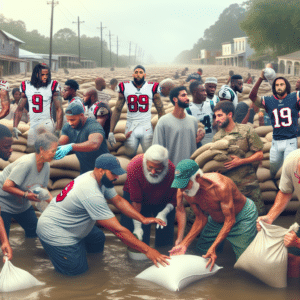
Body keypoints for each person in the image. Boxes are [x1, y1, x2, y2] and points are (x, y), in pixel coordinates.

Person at [36, 153, 170, 276]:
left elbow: (117, 200)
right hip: (55, 231)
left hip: (68, 223)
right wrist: (148, 251)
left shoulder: (100, 179)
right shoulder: (91, 192)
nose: (117, 177)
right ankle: (73, 262)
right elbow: (118, 231)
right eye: (114, 174)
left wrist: (143, 219)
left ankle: (91, 263)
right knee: (77, 276)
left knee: (98, 238)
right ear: (100, 170)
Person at [169, 159, 258, 271]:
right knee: (201, 251)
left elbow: (230, 220)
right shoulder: (187, 192)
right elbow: (201, 218)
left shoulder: (220, 187)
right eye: (179, 185)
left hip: (242, 216)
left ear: (197, 178)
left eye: (184, 184)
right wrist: (184, 244)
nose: (181, 189)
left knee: (244, 262)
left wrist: (213, 247)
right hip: (216, 220)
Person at [120, 145, 183, 247]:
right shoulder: (134, 166)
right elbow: (136, 200)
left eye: (157, 169)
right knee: (138, 235)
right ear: (145, 162)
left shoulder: (171, 170)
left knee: (165, 232)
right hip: (137, 199)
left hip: (162, 199)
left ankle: (164, 254)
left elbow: (174, 199)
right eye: (150, 167)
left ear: (164, 165)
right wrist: (137, 226)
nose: (153, 172)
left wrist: (163, 213)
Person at [0, 128, 58, 238]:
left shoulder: (46, 165)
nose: (55, 154)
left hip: (22, 204)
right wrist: (26, 195)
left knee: (34, 231)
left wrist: (56, 206)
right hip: (4, 203)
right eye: (53, 151)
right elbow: (6, 186)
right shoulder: (26, 163)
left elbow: (43, 189)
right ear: (42, 149)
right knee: (3, 239)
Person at [212, 101, 265, 215]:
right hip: (229, 189)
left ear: (230, 114)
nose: (217, 119)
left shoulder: (246, 130)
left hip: (249, 185)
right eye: (215, 116)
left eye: (220, 115)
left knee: (259, 217)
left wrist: (241, 161)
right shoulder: (217, 138)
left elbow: (260, 154)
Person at [256, 149, 300, 277]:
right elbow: (286, 191)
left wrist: (297, 242)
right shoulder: (292, 160)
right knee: (291, 257)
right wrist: (270, 217)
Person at [249, 71, 300, 178]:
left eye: (282, 84)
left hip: (291, 140)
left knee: (288, 171)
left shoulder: (295, 97)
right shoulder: (269, 100)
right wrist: (260, 78)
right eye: (277, 85)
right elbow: (252, 96)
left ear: (287, 86)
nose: (279, 87)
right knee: (273, 171)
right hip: (276, 141)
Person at [108, 65, 165, 157]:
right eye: (136, 72)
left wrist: (163, 130)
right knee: (129, 154)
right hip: (131, 126)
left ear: (145, 75)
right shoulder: (124, 86)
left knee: (151, 156)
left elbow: (160, 109)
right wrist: (111, 131)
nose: (138, 75)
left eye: (141, 72)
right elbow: (118, 109)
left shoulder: (153, 86)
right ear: (133, 74)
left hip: (146, 126)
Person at [13, 63, 63, 146]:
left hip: (47, 123)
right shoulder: (26, 86)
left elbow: (59, 109)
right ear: (36, 74)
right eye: (42, 74)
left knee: (46, 149)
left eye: (47, 74)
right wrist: (15, 126)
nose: (45, 77)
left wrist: (58, 129)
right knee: (31, 147)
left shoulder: (53, 85)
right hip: (33, 123)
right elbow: (20, 108)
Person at [152, 86, 203, 166]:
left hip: (190, 170)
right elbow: (157, 149)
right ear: (175, 99)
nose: (187, 98)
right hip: (172, 171)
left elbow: (196, 145)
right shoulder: (163, 122)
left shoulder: (193, 121)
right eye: (183, 95)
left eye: (187, 95)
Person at [55, 102, 109, 174]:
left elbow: (94, 144)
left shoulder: (93, 126)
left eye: (73, 120)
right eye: (68, 120)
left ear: (81, 115)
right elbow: (61, 143)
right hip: (86, 170)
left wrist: (71, 146)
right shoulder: (67, 127)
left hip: (104, 170)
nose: (70, 123)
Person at [186, 80, 218, 145]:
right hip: (199, 144)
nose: (205, 93)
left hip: (213, 142)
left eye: (205, 91)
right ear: (194, 92)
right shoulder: (187, 110)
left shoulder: (212, 104)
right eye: (202, 91)